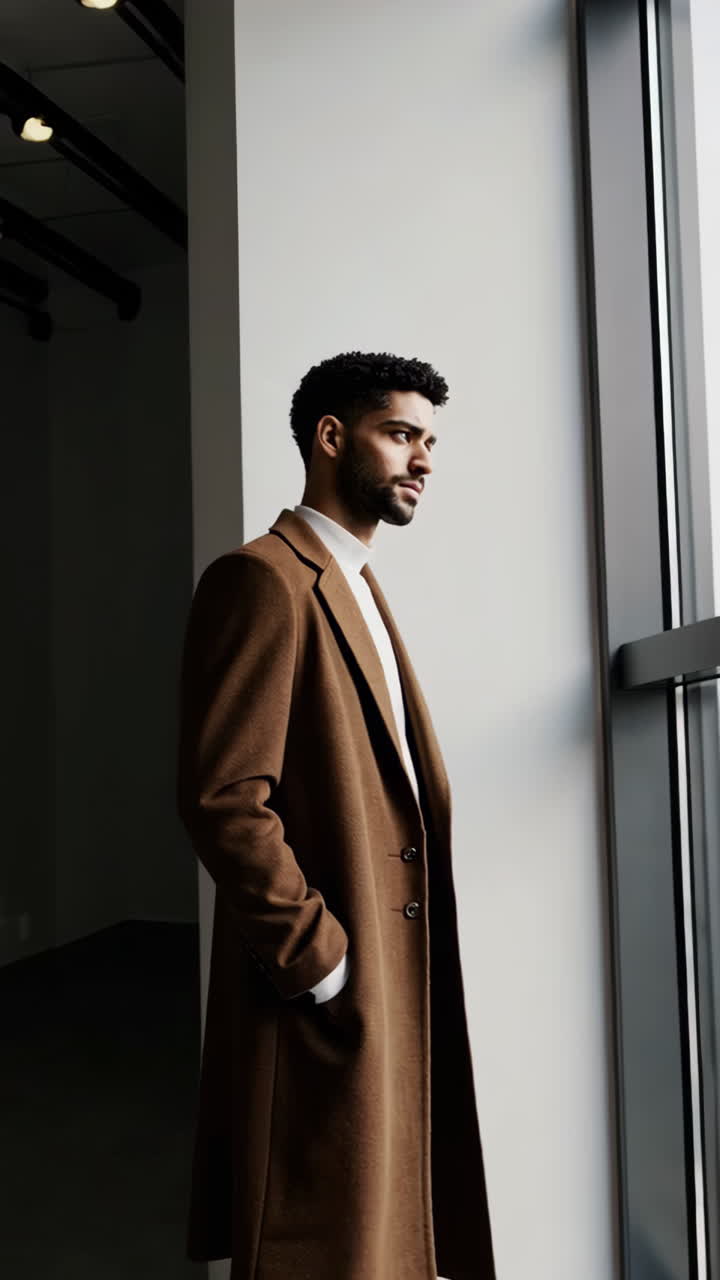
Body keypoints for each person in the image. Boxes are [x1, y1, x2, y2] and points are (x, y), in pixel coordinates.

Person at [176, 351, 496, 1279]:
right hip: (329, 981)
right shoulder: (263, 580)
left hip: (391, 976)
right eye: (401, 435)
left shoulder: (353, 581)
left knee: (381, 1232)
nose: (424, 460)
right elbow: (225, 796)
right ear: (330, 437)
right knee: (320, 1239)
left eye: (429, 441)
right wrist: (317, 958)